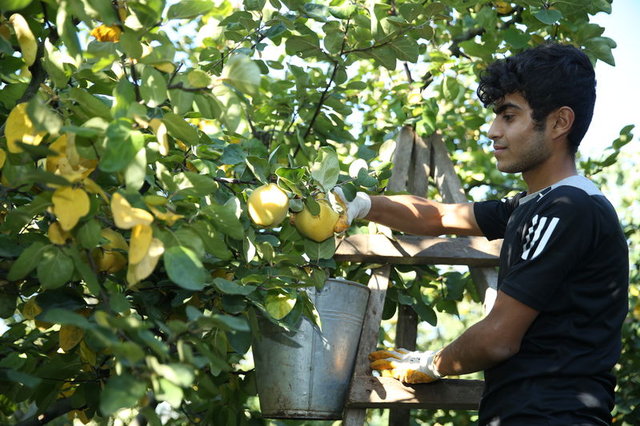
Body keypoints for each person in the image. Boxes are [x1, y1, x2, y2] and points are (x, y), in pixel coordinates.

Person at [333, 43, 629, 425]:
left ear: (559, 123)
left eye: (509, 116)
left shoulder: (569, 209)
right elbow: (439, 216)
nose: (493, 131)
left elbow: (498, 337)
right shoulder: (534, 205)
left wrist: (430, 363)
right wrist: (361, 203)